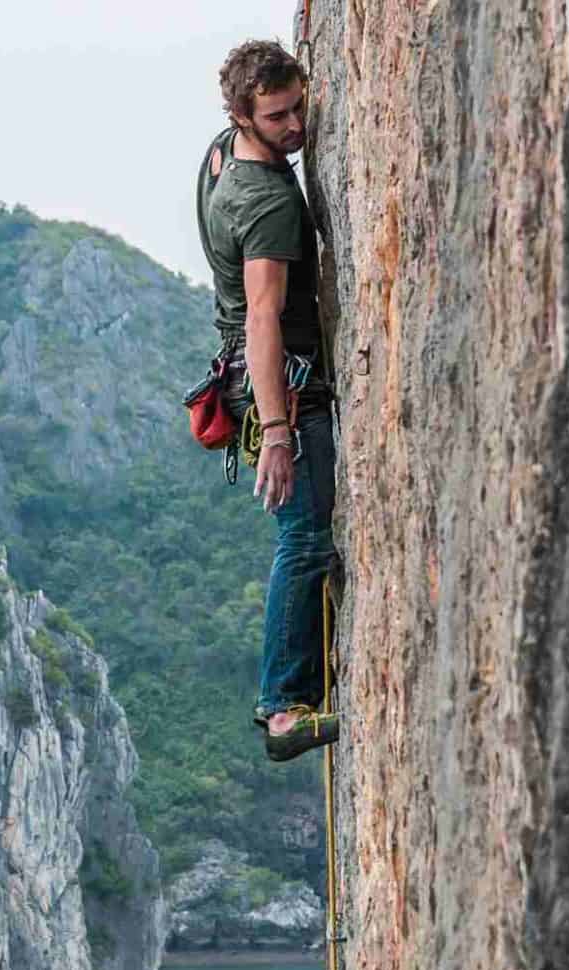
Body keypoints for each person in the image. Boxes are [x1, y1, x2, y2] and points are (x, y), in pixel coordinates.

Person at [196, 39, 340, 763]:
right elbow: (262, 315)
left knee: (304, 538)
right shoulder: (268, 203)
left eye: (298, 106)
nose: (295, 126)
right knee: (306, 538)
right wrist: (279, 430)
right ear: (243, 116)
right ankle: (283, 705)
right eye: (278, 117)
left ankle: (292, 691)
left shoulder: (223, 157)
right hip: (288, 387)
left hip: (249, 380)